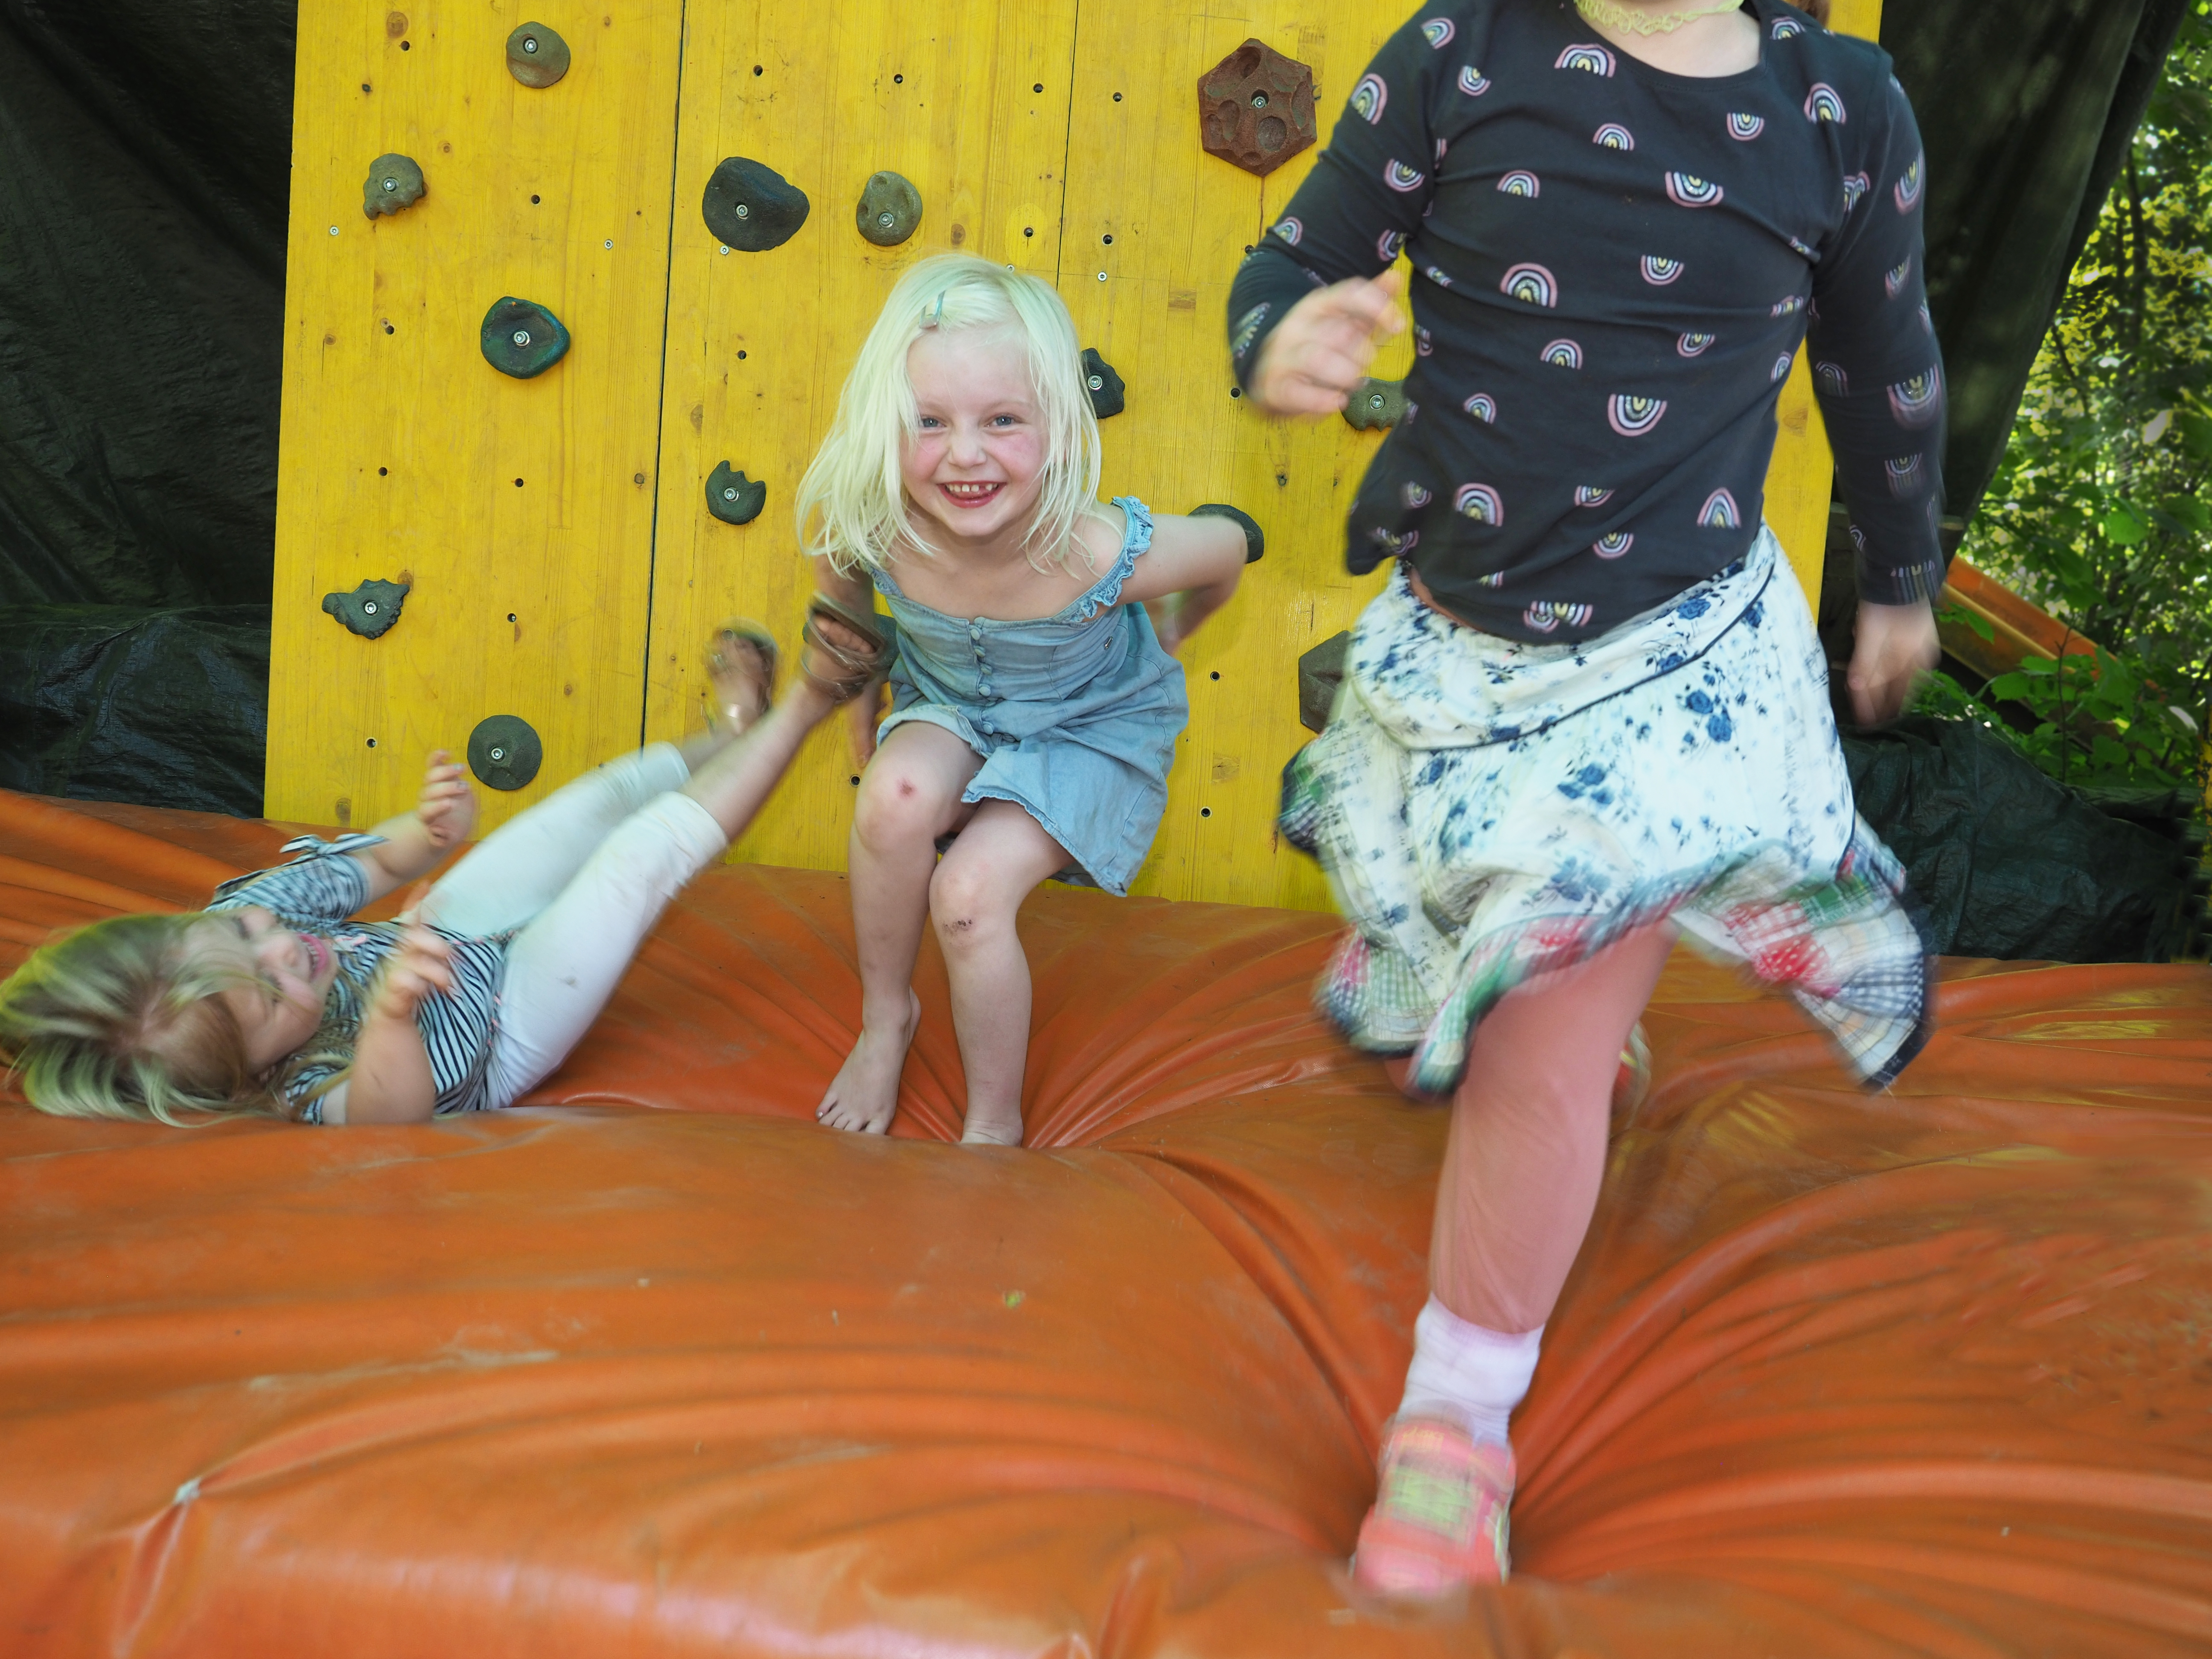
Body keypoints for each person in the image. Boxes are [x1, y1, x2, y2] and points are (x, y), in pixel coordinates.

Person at [1228, 0, 1941, 1598]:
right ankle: (1573, 991)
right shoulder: (1463, 57)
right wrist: (1279, 336)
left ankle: (1453, 1429)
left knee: (1535, 1041)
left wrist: (1898, 582)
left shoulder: (1836, 105)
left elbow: (1883, 363)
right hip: (1468, 653)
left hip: (1668, 663)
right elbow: (1292, 258)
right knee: (1497, 950)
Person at [0, 619, 879, 1126]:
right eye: (268, 997)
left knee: (590, 805)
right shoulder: (299, 1090)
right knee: (633, 862)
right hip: (503, 1031)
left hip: (440, 934)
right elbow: (393, 1112)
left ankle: (729, 739)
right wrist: (390, 1016)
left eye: (243, 936)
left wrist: (425, 834)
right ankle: (809, 702)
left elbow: (378, 865)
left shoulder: (257, 911)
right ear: (246, 1074)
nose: (285, 951)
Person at [802, 254, 1259, 1146]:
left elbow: (1228, 552)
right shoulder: (872, 521)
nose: (964, 453)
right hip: (954, 704)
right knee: (890, 803)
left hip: (1089, 726)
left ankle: (992, 1125)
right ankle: (885, 1020)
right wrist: (861, 700)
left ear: (1056, 424)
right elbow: (843, 607)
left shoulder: (1093, 551)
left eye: (1003, 420)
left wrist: (1170, 633)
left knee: (969, 894)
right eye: (928, 421)